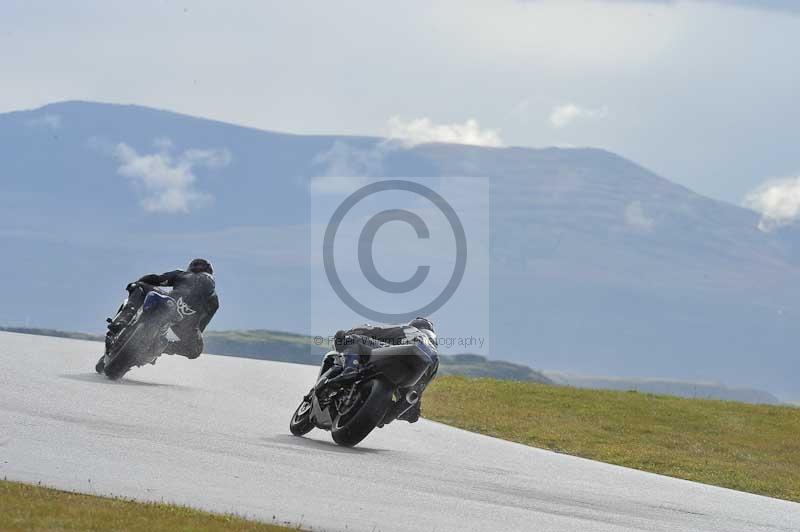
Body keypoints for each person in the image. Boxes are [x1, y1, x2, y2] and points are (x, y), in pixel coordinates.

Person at [96, 258, 219, 373]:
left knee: (140, 286)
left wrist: (137, 283)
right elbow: (201, 325)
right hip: (182, 323)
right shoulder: (214, 300)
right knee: (195, 350)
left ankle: (123, 320)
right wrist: (186, 333)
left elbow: (155, 279)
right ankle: (161, 345)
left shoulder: (182, 274)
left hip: (168, 305)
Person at [328, 317, 439, 424]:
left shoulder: (411, 330)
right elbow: (418, 391)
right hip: (409, 379)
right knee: (409, 398)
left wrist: (348, 333)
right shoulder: (434, 357)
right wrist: (403, 410)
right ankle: (387, 412)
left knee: (353, 339)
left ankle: (350, 370)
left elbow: (376, 330)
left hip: (397, 355)